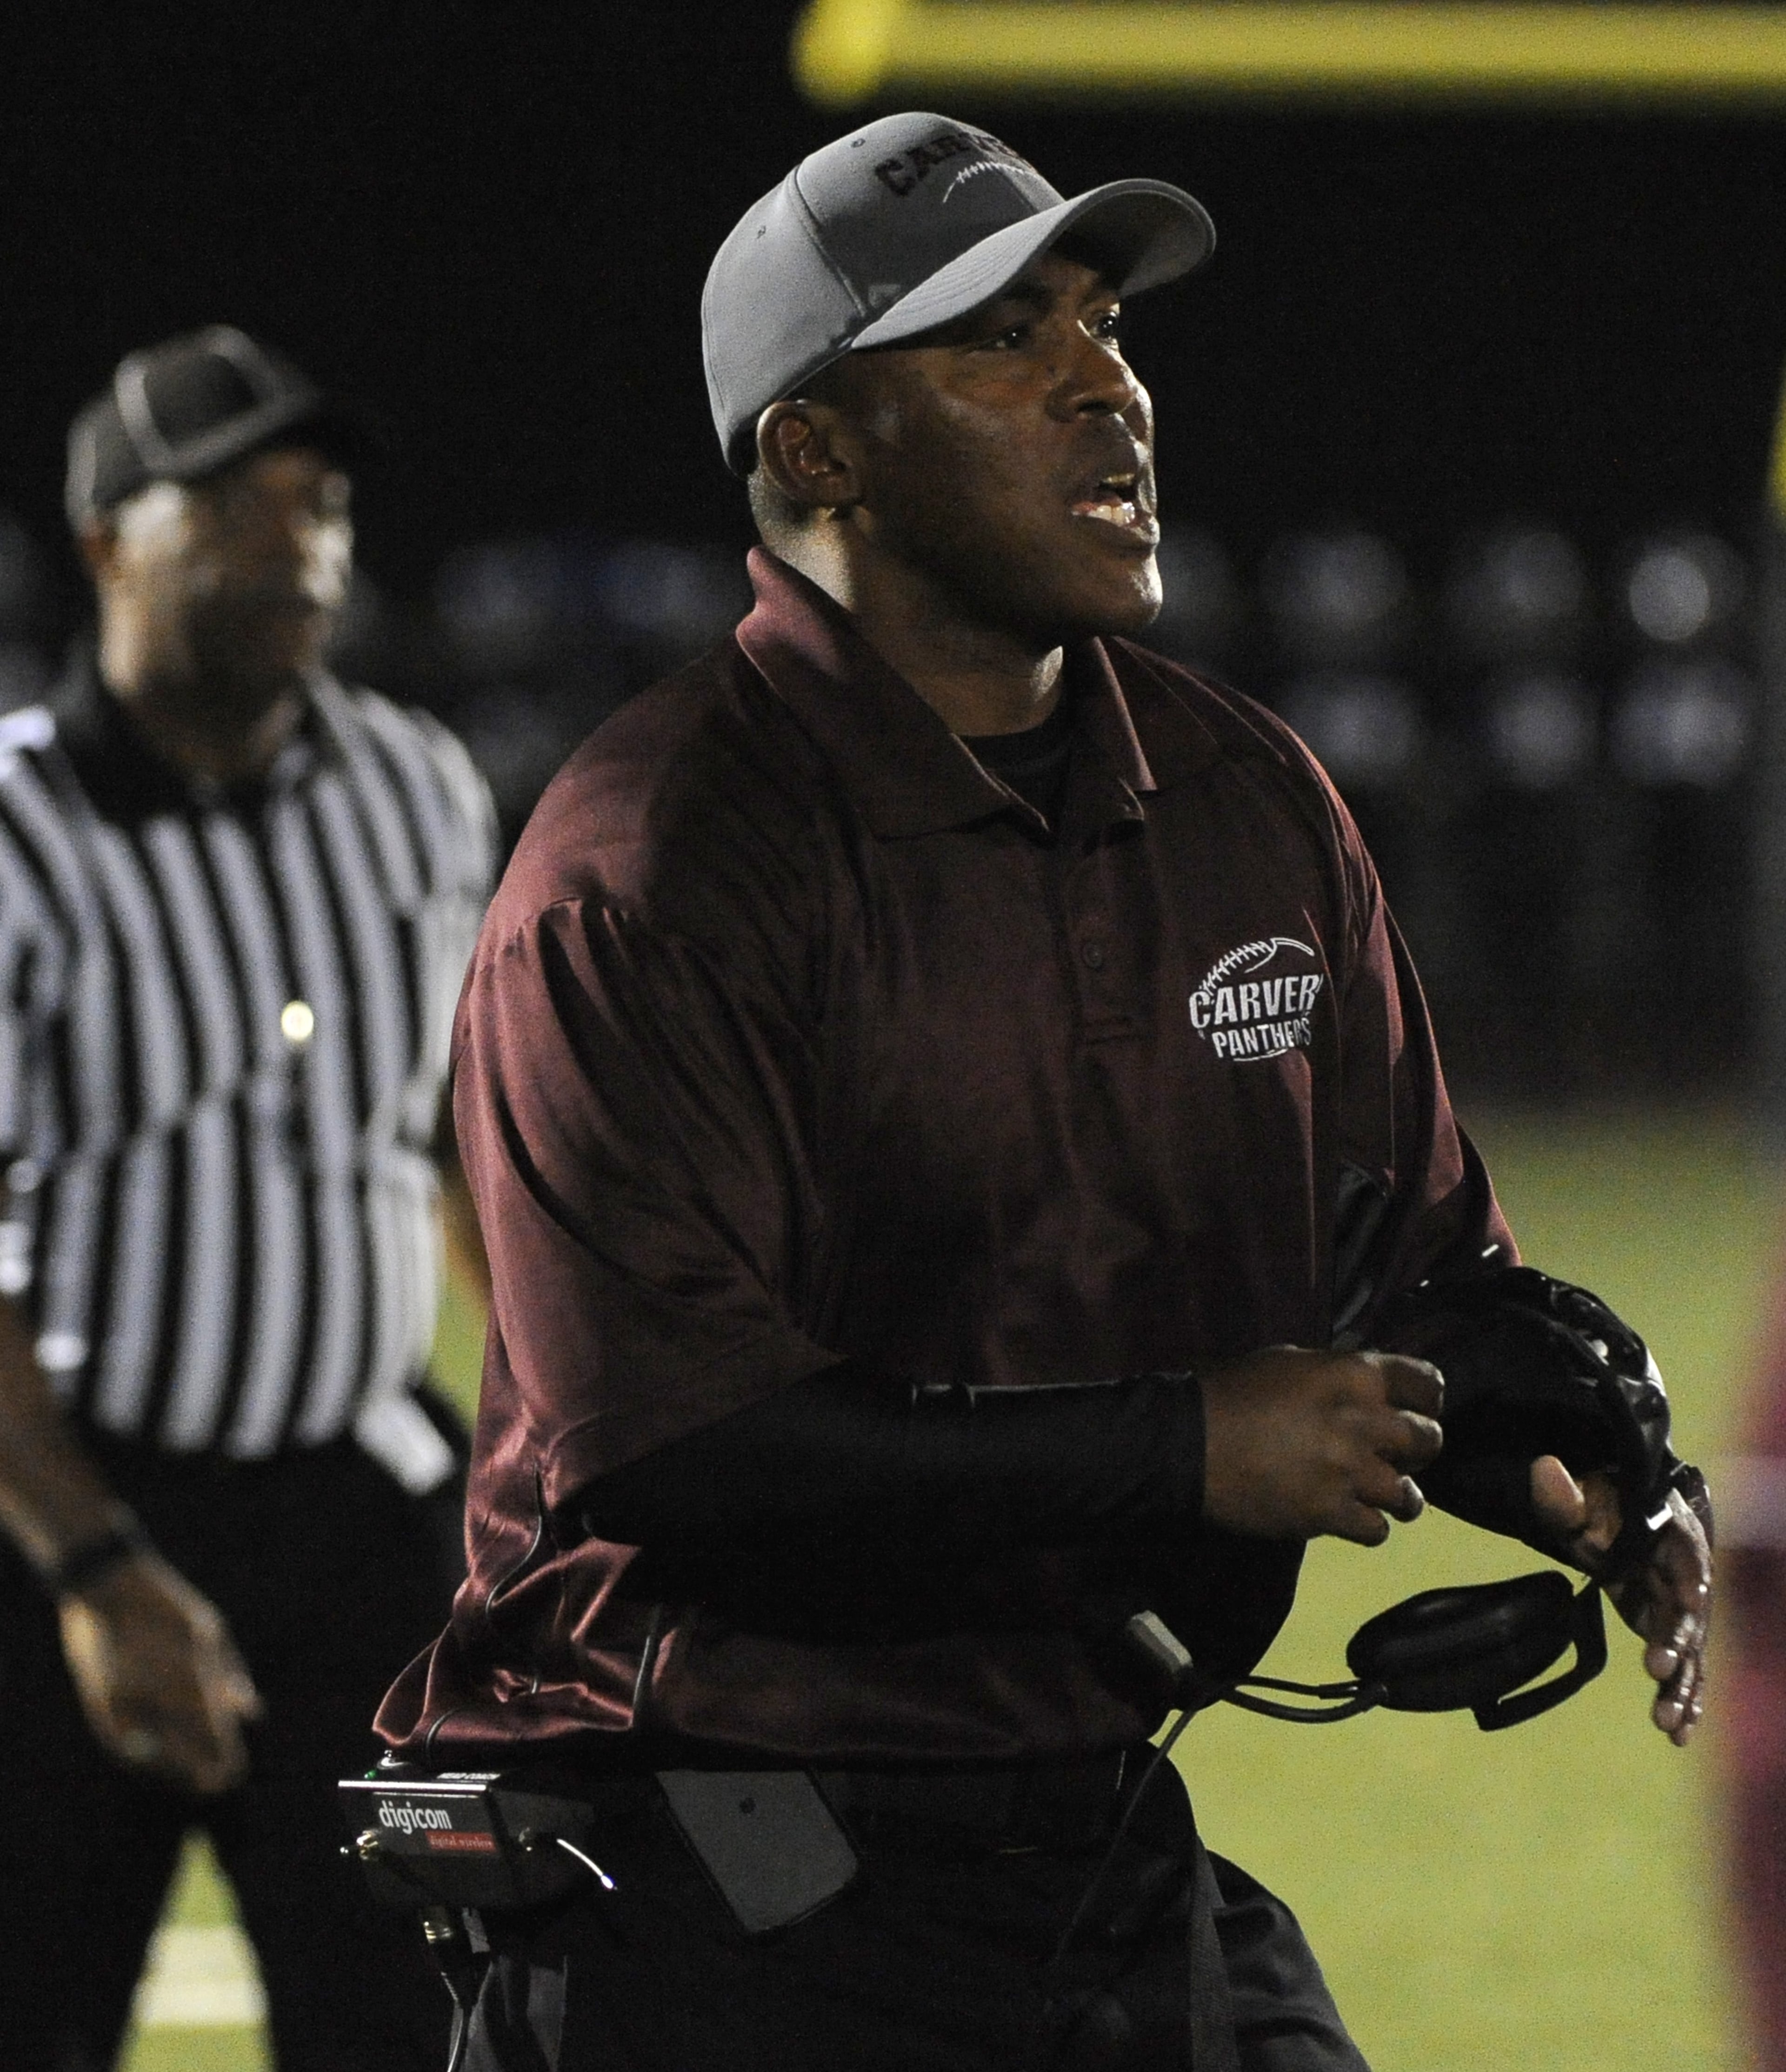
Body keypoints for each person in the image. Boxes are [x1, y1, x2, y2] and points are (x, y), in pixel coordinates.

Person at [378, 115, 1712, 2070]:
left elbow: (1413, 1268)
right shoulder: (653, 870)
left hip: (1080, 1822)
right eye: (1004, 338)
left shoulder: (1246, 801)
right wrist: (1188, 1450)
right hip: (709, 1853)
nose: (1107, 381)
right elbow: (684, 1458)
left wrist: (1574, 1455)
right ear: (815, 454)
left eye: (1102, 321)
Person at [0, 327, 496, 2071]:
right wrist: (96, 1564)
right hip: (73, 1508)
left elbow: (457, 1141)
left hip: (364, 1529)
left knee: (416, 2019)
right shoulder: (17, 828)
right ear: (105, 539)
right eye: (235, 500)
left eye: (326, 502)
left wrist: (542, 1432)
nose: (303, 542)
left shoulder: (416, 789)